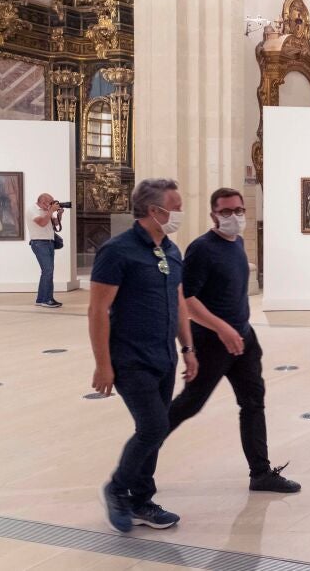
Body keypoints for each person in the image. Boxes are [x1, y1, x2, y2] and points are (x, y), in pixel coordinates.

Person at [165, 188, 301, 494]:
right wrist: (221, 329)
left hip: (244, 340)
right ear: (213, 215)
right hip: (212, 342)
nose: (234, 217)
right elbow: (187, 300)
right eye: (226, 212)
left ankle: (261, 473)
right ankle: (138, 463)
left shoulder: (237, 243)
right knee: (189, 404)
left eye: (239, 210)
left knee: (253, 403)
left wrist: (240, 330)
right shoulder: (201, 249)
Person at [90, 178, 199, 533]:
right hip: (130, 358)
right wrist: (103, 365)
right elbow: (97, 310)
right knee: (154, 426)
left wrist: (188, 348)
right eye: (176, 207)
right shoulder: (117, 251)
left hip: (164, 356)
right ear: (154, 210)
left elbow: (178, 302)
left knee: (154, 430)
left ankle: (141, 501)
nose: (180, 213)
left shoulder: (171, 250)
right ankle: (117, 489)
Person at [27, 193, 63, 308]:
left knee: (47, 271)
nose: (52, 204)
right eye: (50, 202)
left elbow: (55, 223)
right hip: (39, 243)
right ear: (43, 202)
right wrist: (51, 211)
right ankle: (47, 300)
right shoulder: (32, 210)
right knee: (48, 271)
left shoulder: (46, 210)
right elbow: (42, 223)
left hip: (49, 242)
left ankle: (41, 299)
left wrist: (59, 214)